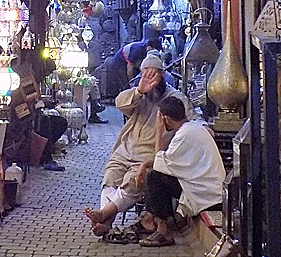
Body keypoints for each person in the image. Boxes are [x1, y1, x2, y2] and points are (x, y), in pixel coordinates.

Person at [83, 52, 190, 236]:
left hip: (148, 154)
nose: (150, 79)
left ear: (162, 74)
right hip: (125, 150)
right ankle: (107, 222)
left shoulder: (175, 98)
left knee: (133, 182)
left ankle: (104, 215)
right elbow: (120, 104)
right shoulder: (138, 94)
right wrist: (140, 90)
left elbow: (190, 119)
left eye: (154, 74)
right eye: (145, 73)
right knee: (110, 175)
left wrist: (204, 127)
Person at [138, 95, 226, 247]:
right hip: (205, 188)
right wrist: (145, 164)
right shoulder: (192, 128)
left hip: (205, 193)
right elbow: (166, 160)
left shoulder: (184, 135)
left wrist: (159, 131)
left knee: (153, 177)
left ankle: (162, 229)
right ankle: (154, 220)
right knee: (153, 174)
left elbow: (160, 164)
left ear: (166, 118)